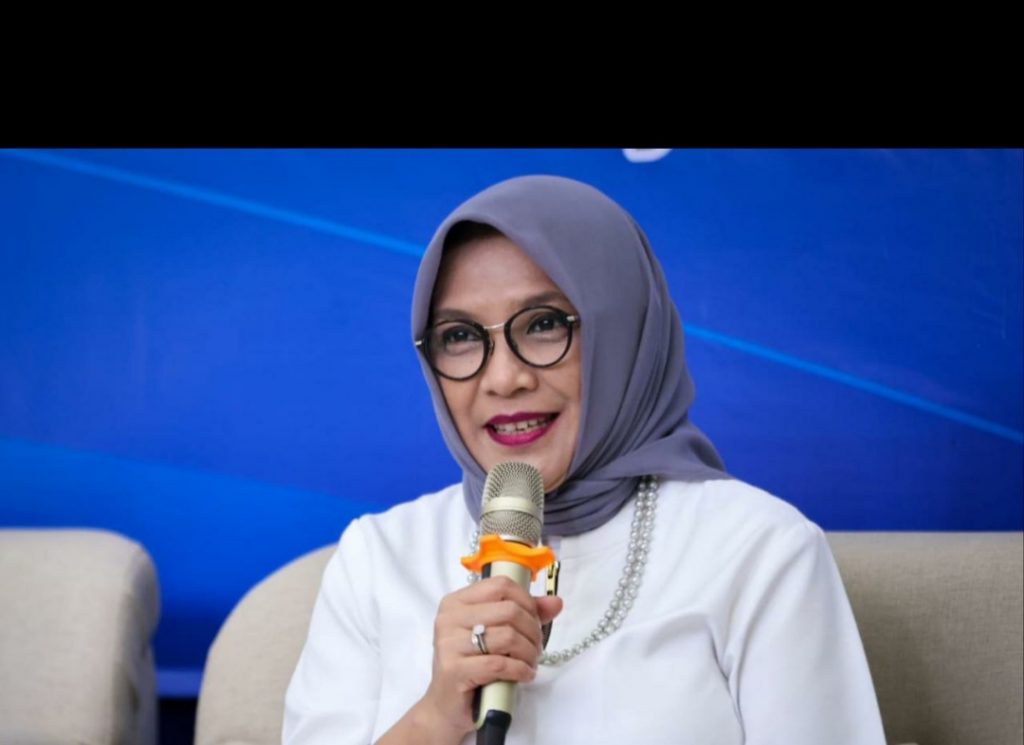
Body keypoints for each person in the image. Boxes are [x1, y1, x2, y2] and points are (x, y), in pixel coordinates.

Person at [282, 175, 886, 744]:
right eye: (460, 336)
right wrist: (434, 717)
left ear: (623, 332)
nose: (503, 378)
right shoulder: (379, 558)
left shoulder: (758, 552)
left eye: (543, 324)